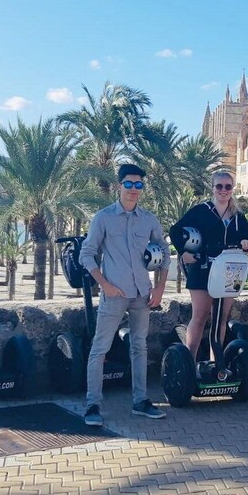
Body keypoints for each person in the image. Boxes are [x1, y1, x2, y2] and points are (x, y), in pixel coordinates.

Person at [80, 164, 170, 426]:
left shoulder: (149, 220)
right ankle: (92, 405)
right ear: (120, 186)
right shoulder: (103, 218)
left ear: (143, 188)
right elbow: (87, 253)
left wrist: (160, 286)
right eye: (128, 184)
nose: (133, 189)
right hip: (114, 294)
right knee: (100, 349)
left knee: (139, 347)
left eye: (138, 185)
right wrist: (104, 285)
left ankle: (140, 402)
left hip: (142, 294)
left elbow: (164, 253)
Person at [170, 172, 248, 360]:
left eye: (227, 187)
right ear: (213, 188)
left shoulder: (238, 216)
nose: (223, 190)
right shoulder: (201, 210)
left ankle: (217, 363)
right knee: (199, 317)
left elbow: (246, 236)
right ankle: (189, 362)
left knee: (221, 318)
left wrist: (247, 242)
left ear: (233, 189)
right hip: (203, 268)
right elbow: (175, 230)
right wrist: (184, 252)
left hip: (229, 271)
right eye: (219, 186)